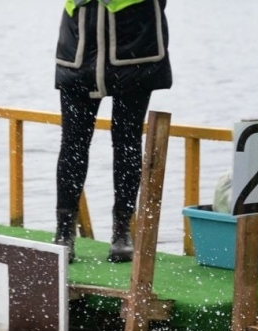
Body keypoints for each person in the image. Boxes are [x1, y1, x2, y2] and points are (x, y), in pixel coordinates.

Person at [53, 0, 172, 264]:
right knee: (73, 142)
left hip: (134, 44)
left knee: (127, 140)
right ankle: (64, 232)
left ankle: (122, 231)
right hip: (79, 44)